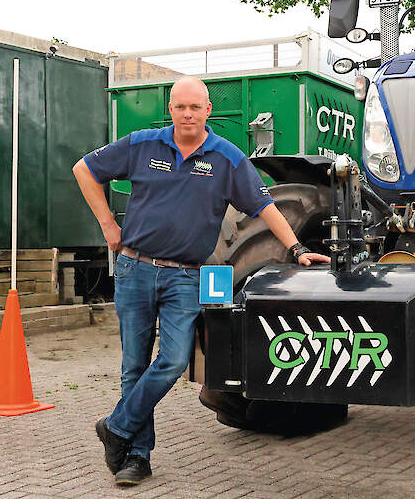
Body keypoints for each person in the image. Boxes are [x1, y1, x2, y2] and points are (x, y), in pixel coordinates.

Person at [72, 76, 329, 486]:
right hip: (135, 269)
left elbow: (264, 205)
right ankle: (136, 457)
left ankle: (116, 426)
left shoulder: (226, 158)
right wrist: (107, 224)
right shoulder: (143, 145)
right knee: (133, 366)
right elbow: (84, 169)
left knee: (173, 360)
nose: (187, 114)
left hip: (186, 277)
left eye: (195, 107)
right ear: (170, 110)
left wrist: (298, 249)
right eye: (180, 107)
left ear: (208, 110)